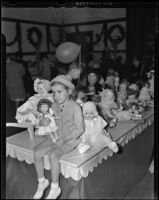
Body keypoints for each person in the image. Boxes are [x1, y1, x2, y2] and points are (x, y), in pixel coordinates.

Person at [33, 75, 84, 199]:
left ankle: (55, 187)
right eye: (54, 92)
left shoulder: (75, 107)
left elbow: (80, 128)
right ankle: (42, 182)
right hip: (55, 136)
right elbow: (48, 119)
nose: (56, 95)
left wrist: (65, 139)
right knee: (36, 153)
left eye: (60, 91)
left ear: (69, 91)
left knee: (53, 155)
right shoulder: (54, 106)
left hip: (71, 139)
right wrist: (43, 122)